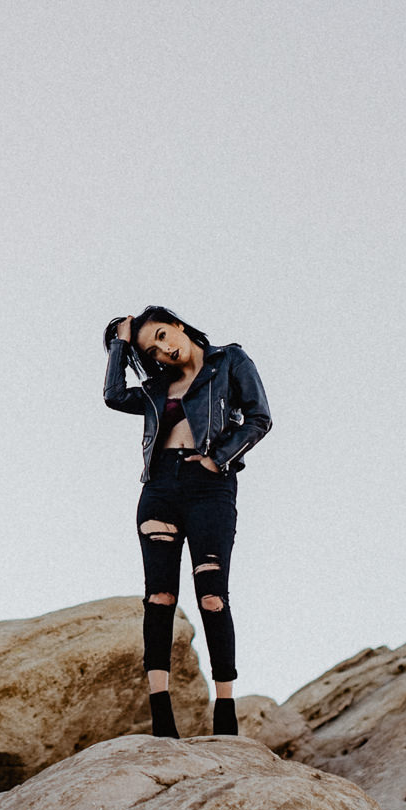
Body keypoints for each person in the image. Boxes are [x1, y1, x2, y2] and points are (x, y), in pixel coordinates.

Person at [102, 306, 271, 738]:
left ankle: (226, 713)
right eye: (152, 350)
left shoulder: (230, 360)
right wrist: (121, 344)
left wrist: (217, 459)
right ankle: (162, 716)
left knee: (212, 596)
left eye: (162, 335)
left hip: (210, 487)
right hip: (159, 488)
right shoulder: (156, 388)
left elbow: (259, 417)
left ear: (177, 324)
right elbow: (114, 396)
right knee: (159, 596)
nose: (162, 349)